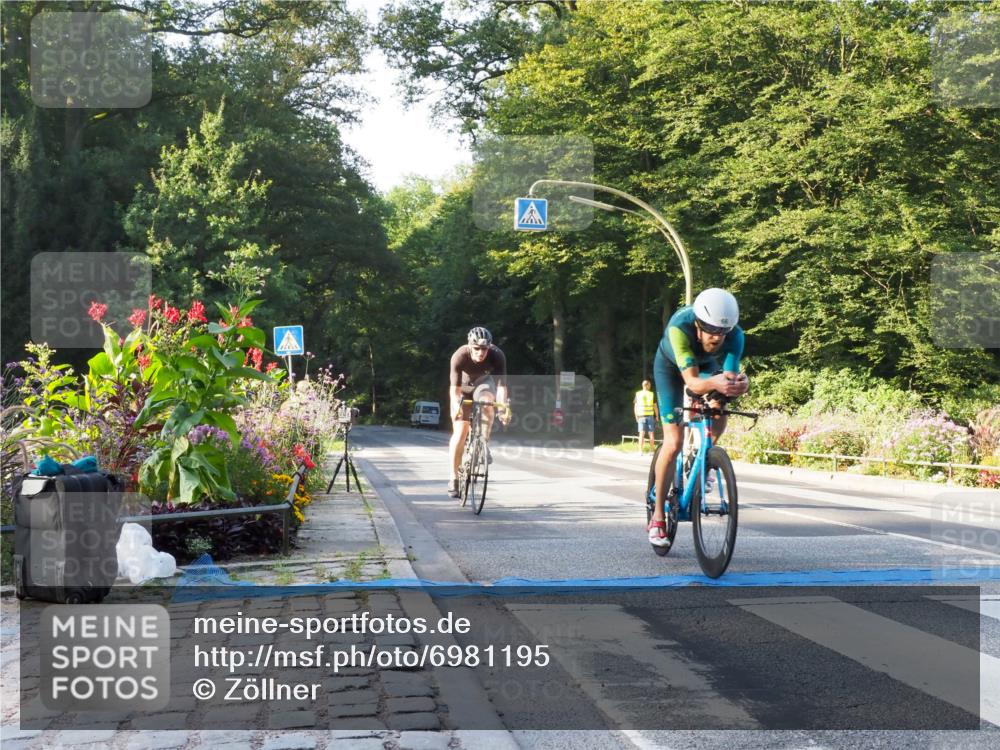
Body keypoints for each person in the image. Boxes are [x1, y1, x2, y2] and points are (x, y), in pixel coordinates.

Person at [647, 288, 749, 547]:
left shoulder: (735, 336)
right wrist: (712, 382)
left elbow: (727, 377)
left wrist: (738, 384)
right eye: (711, 330)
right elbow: (691, 381)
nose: (717, 338)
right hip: (671, 368)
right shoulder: (679, 329)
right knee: (673, 442)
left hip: (706, 368)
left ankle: (705, 459)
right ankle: (658, 517)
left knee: (720, 404)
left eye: (722, 333)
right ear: (698, 324)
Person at [447, 326, 510, 497]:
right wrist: (455, 408)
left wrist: (503, 408)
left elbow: (501, 387)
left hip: (483, 385)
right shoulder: (459, 355)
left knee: (488, 402)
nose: (481, 353)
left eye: (484, 349)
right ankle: (453, 477)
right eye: (477, 349)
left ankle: (483, 442)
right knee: (460, 431)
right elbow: (454, 390)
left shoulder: (497, 355)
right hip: (463, 388)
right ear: (469, 346)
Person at [633, 379, 659, 454]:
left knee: (641, 434)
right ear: (646, 385)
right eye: (649, 385)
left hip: (641, 416)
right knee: (651, 433)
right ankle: (651, 450)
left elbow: (635, 406)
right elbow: (655, 407)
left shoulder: (638, 394)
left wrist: (636, 416)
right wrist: (657, 416)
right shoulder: (651, 394)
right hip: (650, 416)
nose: (650, 386)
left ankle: (640, 451)